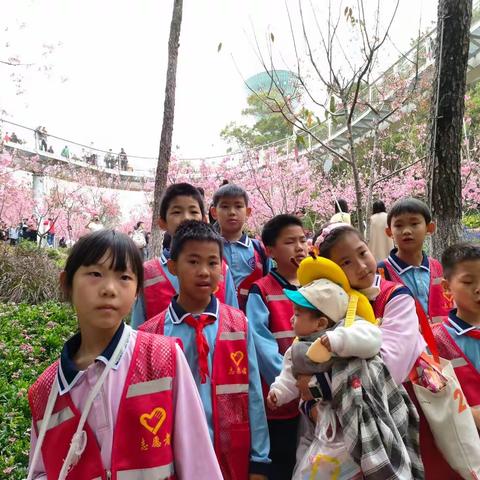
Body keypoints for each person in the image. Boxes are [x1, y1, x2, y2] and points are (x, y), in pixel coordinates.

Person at [27, 229, 222, 480]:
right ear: (67, 282)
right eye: (95, 274)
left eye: (124, 277)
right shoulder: (46, 391)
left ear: (137, 290)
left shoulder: (163, 357)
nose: (109, 289)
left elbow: (198, 463)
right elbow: (40, 470)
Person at [140, 221, 270, 480]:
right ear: (174, 266)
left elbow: (253, 391)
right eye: (193, 262)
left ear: (222, 269)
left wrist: (260, 459)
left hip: (230, 456)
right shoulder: (150, 334)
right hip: (175, 460)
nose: (204, 272)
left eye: (212, 263)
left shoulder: (238, 324)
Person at [245, 214, 308, 480]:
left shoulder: (316, 285)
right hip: (282, 401)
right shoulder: (261, 290)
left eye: (303, 240)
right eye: (290, 242)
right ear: (269, 251)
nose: (300, 247)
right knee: (284, 463)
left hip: (317, 398)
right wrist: (293, 384)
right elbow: (262, 346)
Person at [130, 183, 238, 329]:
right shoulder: (147, 273)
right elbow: (138, 330)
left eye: (193, 211)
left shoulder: (222, 270)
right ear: (162, 222)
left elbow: (235, 324)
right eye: (176, 212)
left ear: (204, 219)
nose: (186, 218)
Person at [378, 197, 453, 322]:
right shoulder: (381, 271)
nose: (406, 231)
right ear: (389, 232)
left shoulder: (436, 267)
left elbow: (447, 303)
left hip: (439, 338)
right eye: (398, 225)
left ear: (429, 228)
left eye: (414, 224)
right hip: (403, 340)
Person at [433, 243, 480, 429]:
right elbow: (435, 399)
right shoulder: (436, 340)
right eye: (468, 282)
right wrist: (469, 415)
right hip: (467, 443)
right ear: (446, 287)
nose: (478, 289)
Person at [210, 183, 270, 310]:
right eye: (225, 206)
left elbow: (269, 286)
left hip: (254, 323)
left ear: (248, 212)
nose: (232, 212)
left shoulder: (260, 250)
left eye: (238, 206)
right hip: (217, 322)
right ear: (214, 212)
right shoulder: (207, 249)